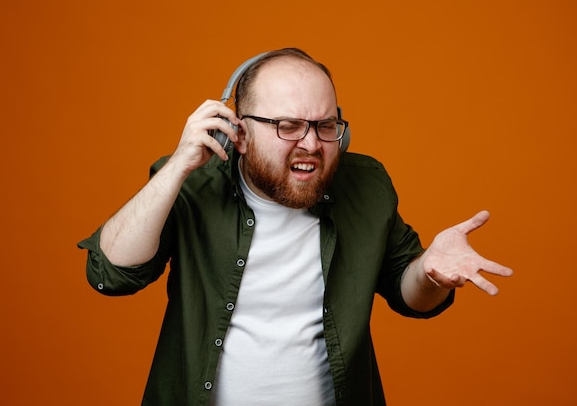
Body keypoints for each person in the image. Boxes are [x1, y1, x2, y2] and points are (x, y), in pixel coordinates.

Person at [78, 47, 513, 406]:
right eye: (288, 126)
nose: (311, 143)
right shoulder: (192, 185)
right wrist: (177, 168)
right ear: (238, 133)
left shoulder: (365, 184)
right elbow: (110, 275)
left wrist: (430, 272)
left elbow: (410, 293)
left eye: (326, 126)